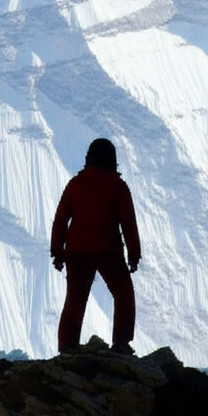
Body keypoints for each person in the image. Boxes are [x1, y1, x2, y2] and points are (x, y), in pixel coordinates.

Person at [50, 138, 141, 354]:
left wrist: (57, 252)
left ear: (88, 159)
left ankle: (67, 348)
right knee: (123, 293)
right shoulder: (118, 187)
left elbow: (61, 219)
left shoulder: (75, 184)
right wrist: (134, 254)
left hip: (76, 251)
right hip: (108, 250)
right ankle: (121, 343)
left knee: (74, 300)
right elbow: (128, 223)